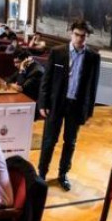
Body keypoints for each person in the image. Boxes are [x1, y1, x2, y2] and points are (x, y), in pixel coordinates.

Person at [37, 20, 101, 191]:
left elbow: (93, 86)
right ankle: (41, 173)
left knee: (70, 142)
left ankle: (63, 174)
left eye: (83, 36)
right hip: (56, 103)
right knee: (49, 140)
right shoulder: (57, 52)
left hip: (76, 105)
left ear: (87, 37)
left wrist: (88, 111)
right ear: (71, 34)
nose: (79, 38)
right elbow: (46, 79)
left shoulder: (93, 57)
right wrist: (43, 103)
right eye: (77, 35)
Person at [6, 50, 43, 119]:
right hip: (22, 100)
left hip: (31, 106)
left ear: (27, 61)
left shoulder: (37, 71)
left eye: (17, 62)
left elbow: (20, 88)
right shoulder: (26, 67)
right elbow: (8, 79)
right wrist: (13, 84)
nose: (15, 65)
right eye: (14, 62)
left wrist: (21, 70)